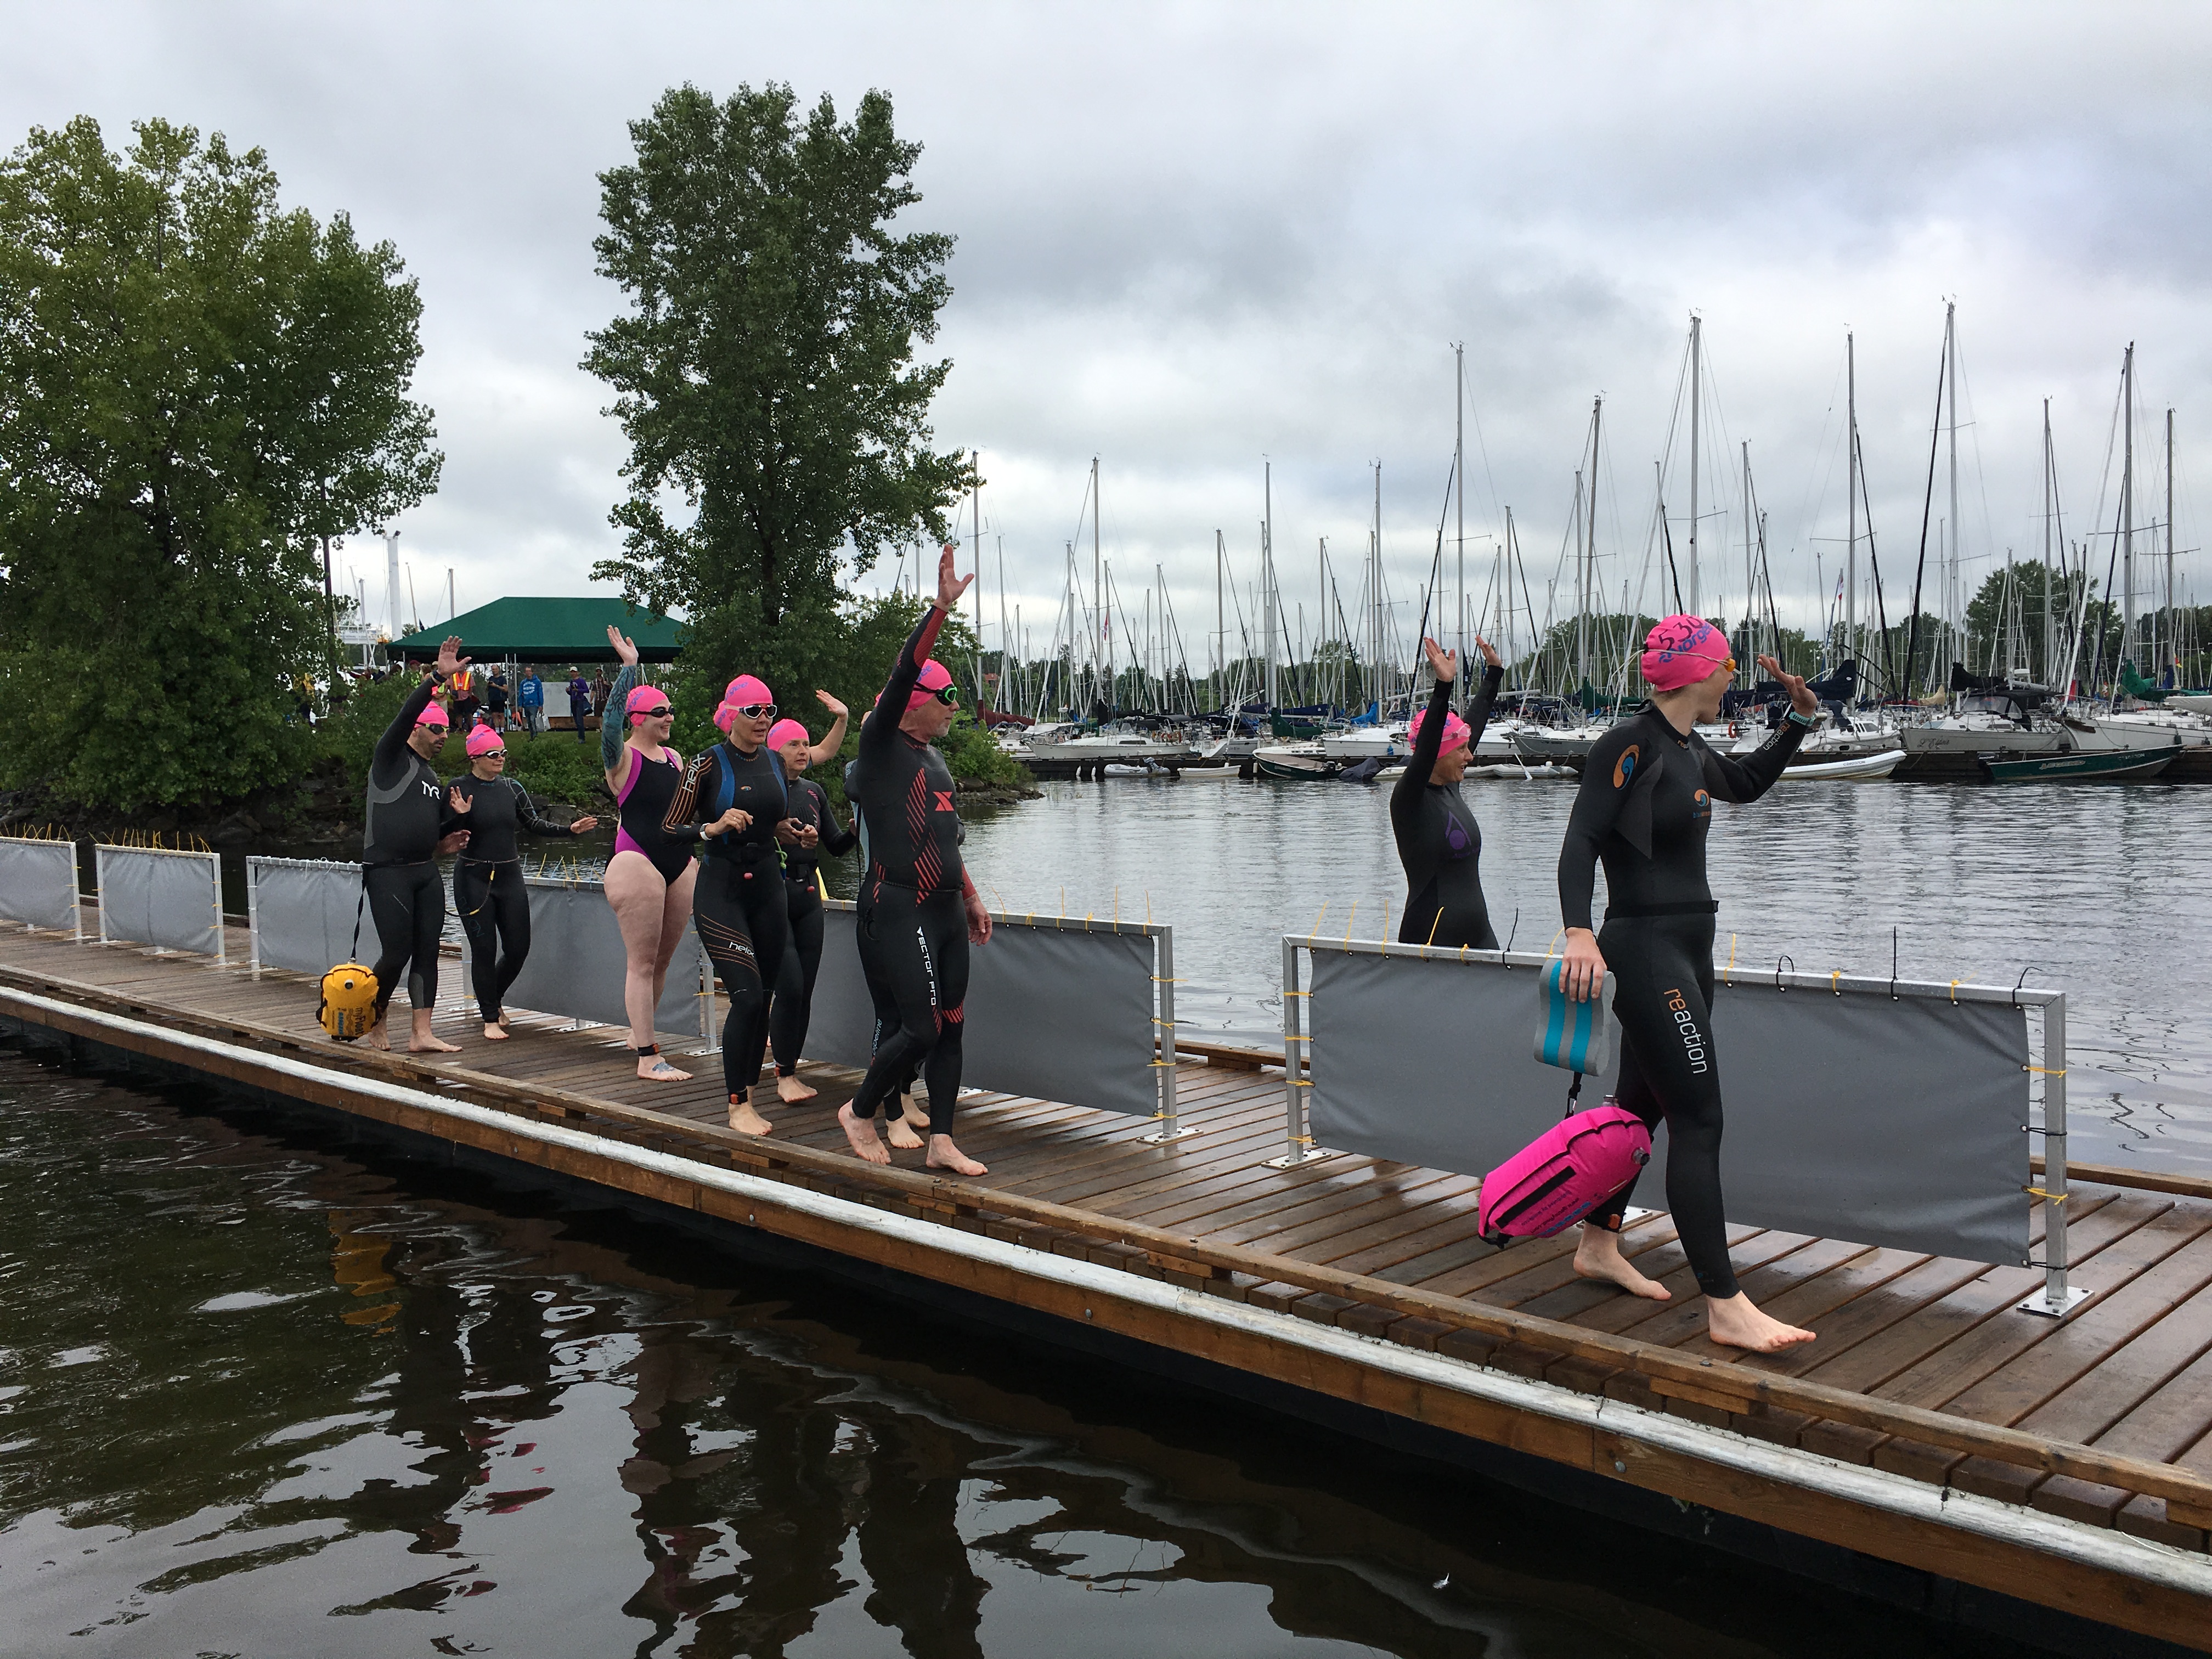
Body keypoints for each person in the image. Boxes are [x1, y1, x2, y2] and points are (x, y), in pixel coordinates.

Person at [1556, 614, 1821, 1353]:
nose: (1733, 679)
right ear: (1700, 670)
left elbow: (1748, 784)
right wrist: (1578, 932)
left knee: (1641, 1107)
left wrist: (1799, 718)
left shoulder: (1687, 748)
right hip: (1645, 949)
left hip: (1688, 947)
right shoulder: (1629, 744)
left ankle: (1598, 1243)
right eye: (1729, 667)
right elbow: (1581, 840)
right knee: (1700, 1120)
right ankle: (1725, 1305)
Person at [837, 545, 994, 1176]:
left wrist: (972, 896)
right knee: (921, 1030)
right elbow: (906, 668)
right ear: (912, 701)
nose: (956, 703)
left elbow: (945, 838)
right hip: (898, 905)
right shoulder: (880, 746)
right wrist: (939, 611)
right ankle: (859, 1111)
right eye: (947, 693)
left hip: (946, 908)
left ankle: (943, 1141)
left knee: (952, 1028)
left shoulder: (936, 759)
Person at [660, 676, 820, 1133]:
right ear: (731, 715)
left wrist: (796, 833)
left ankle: (749, 1091)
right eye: (753, 711)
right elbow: (667, 830)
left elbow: (775, 823)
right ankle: (737, 1105)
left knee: (765, 996)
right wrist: (711, 828)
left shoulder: (773, 761)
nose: (763, 719)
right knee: (747, 998)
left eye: (769, 710)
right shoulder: (704, 764)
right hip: (722, 889)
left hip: (768, 887)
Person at [447, 724, 599, 1041]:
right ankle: (490, 1017)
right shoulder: (459, 787)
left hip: (509, 876)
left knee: (518, 948)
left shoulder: (512, 788)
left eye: (503, 752)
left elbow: (533, 823)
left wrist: (569, 831)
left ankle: (493, 998)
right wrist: (459, 816)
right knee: (484, 949)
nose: (500, 758)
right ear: (475, 757)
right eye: (493, 753)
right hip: (473, 877)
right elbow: (444, 833)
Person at [360, 636, 473, 1053]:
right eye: (436, 728)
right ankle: (375, 1019)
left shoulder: (430, 776)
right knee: (396, 952)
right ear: (416, 729)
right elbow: (406, 711)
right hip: (387, 871)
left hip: (424, 872)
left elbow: (426, 828)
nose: (444, 736)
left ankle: (421, 1033)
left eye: (448, 729)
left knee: (428, 950)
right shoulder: (389, 758)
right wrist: (437, 678)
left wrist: (453, 826)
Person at [602, 629, 696, 1080]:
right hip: (636, 860)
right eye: (660, 712)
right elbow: (609, 723)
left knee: (662, 961)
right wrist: (628, 669)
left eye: (670, 710)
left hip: (678, 862)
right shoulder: (621, 758)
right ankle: (648, 1057)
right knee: (640, 963)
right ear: (637, 719)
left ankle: (638, 1035)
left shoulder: (675, 758)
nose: (669, 717)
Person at [764, 696, 855, 1107]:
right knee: (789, 986)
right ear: (774, 750)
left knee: (805, 990)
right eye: (794, 744)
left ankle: (789, 1068)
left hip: (807, 896)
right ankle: (782, 1073)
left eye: (806, 744)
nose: (803, 750)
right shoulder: (764, 790)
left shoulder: (814, 792)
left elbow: (834, 846)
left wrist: (854, 831)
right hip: (773, 893)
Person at [1393, 634, 1505, 949]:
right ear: (1438, 754)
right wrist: (1443, 687)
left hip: (1480, 934)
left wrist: (1494, 674)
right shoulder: (1409, 799)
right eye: (1461, 750)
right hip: (1430, 938)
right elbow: (1428, 746)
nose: (1470, 757)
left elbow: (1474, 724)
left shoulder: (1450, 785)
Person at [567, 668, 593, 742]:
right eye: (572, 672)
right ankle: (580, 736)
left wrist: (578, 690)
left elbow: (586, 690)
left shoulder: (581, 681)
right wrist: (568, 691)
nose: (573, 674)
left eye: (574, 672)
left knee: (579, 720)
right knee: (576, 719)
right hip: (573, 701)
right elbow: (572, 692)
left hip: (580, 701)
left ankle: (582, 738)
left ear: (577, 673)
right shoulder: (572, 681)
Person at [518, 667, 545, 737]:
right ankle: (532, 735)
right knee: (529, 721)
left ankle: (535, 734)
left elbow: (540, 693)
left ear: (532, 672)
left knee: (533, 719)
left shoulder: (537, 682)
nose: (528, 673)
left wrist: (541, 704)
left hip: (534, 704)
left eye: (529, 671)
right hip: (526, 704)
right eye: (527, 671)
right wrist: (520, 705)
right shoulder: (523, 683)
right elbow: (520, 694)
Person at [486, 668, 511, 732]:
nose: (494, 671)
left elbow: (506, 689)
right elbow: (487, 689)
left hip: (500, 699)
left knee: (501, 715)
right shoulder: (491, 678)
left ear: (498, 670)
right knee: (494, 715)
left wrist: (496, 686)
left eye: (495, 669)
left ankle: (502, 730)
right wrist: (488, 685)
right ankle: (497, 730)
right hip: (492, 699)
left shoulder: (502, 679)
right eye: (493, 669)